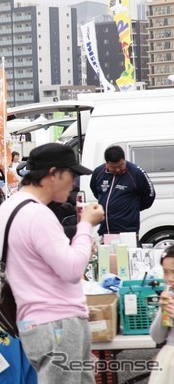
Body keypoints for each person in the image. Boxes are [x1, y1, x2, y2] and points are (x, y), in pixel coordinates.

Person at [0, 143, 105, 382]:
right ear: (53, 174)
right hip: (58, 323)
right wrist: (86, 225)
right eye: (72, 175)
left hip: (35, 320)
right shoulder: (38, 214)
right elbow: (72, 270)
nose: (74, 183)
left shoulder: (10, 207)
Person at [90, 145, 155, 236]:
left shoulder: (136, 173)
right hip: (105, 230)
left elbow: (149, 195)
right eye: (113, 167)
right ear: (107, 163)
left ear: (124, 159)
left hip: (128, 231)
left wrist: (133, 208)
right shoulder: (98, 172)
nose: (117, 169)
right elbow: (95, 191)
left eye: (121, 166)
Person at [149, 245, 174, 383]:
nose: (169, 278)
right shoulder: (170, 296)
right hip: (168, 359)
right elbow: (157, 337)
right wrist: (163, 311)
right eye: (165, 272)